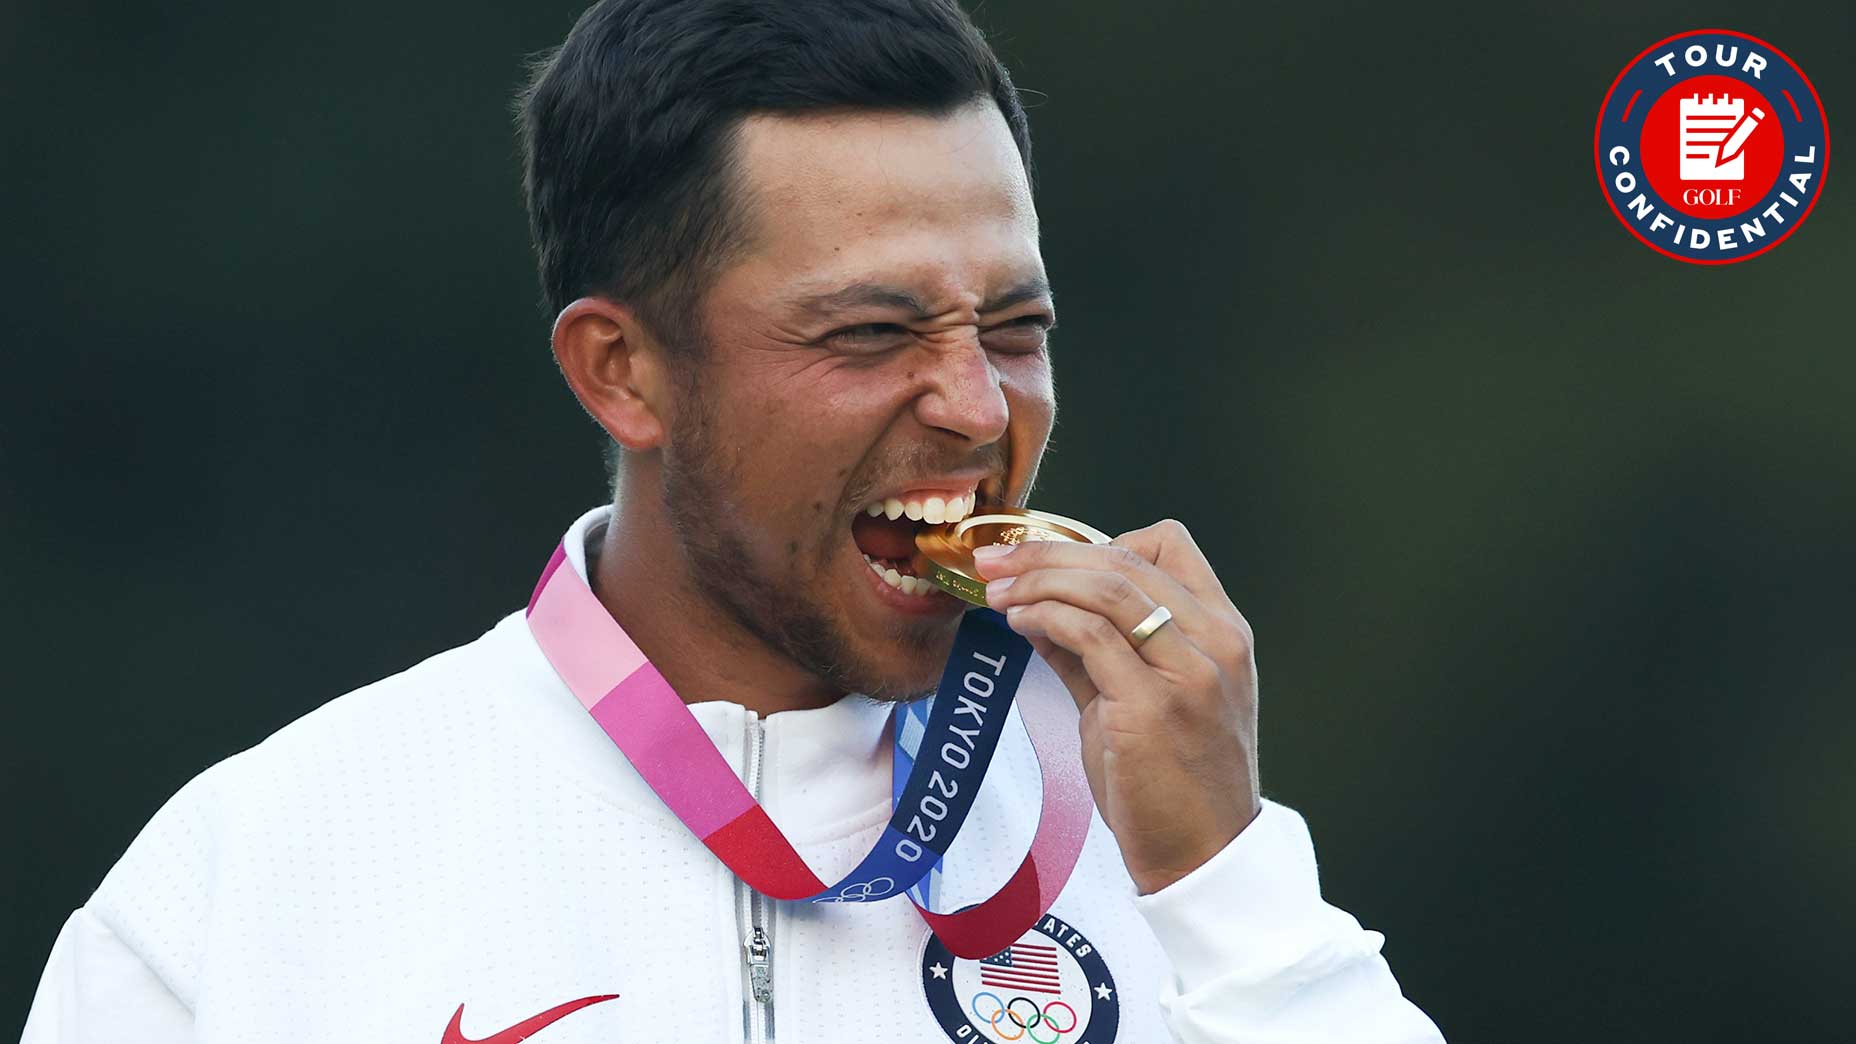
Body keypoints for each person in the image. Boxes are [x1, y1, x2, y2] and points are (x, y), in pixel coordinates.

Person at [21, 1, 1447, 1041]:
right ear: (621, 370)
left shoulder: (1167, 829)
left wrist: (1232, 891)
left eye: (1014, 328)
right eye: (871, 332)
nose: (973, 406)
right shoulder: (270, 872)